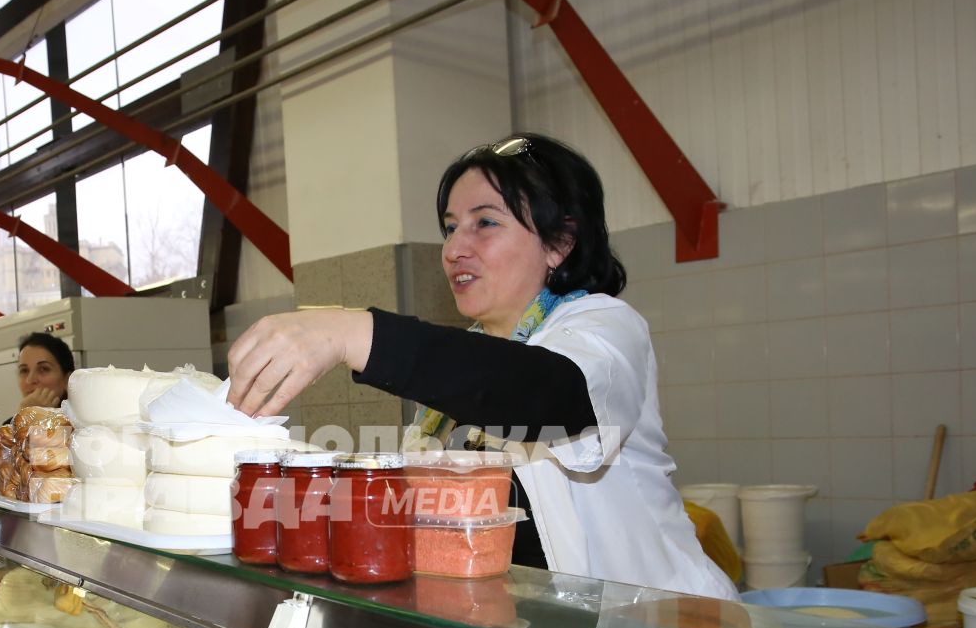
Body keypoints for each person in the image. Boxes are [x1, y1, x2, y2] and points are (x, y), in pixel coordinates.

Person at [228, 134, 735, 599]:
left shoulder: (604, 326)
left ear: (560, 242)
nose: (453, 250)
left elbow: (546, 397)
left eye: (485, 223)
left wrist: (354, 333)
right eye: (450, 228)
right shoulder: (459, 381)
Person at [15, 329, 73, 410]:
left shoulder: (85, 420)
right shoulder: (11, 422)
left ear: (67, 379)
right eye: (24, 370)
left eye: (43, 369)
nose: (30, 380)